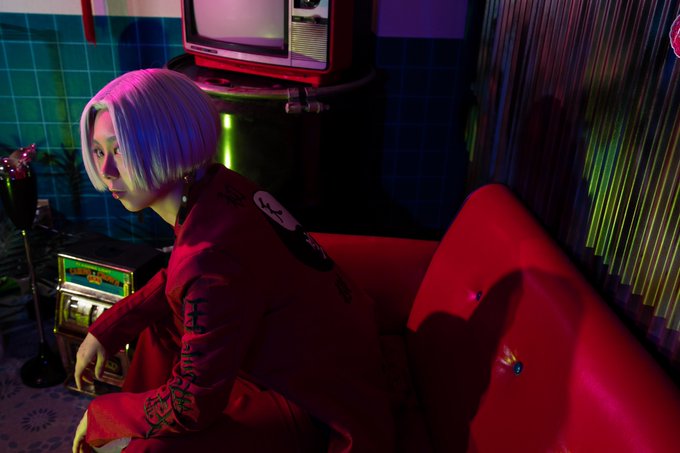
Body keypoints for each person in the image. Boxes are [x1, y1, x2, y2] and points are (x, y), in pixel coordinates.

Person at [71, 68, 394, 453]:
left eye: (120, 149)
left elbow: (191, 405)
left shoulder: (210, 253)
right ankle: (136, 433)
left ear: (168, 141)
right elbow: (183, 278)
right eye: (98, 151)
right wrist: (109, 328)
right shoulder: (218, 184)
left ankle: (135, 438)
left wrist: (104, 414)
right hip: (316, 350)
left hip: (310, 399)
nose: (106, 171)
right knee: (159, 329)